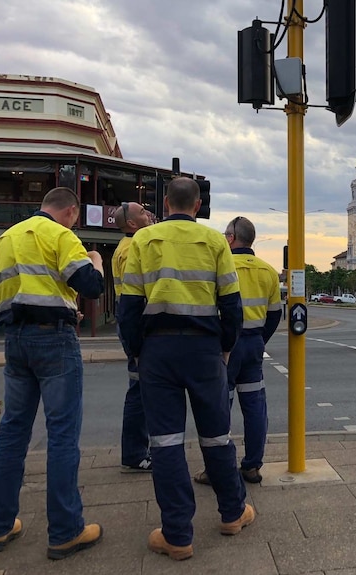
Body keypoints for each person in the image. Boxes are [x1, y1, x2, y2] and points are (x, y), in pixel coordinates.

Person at [118, 177, 255, 561]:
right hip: (204, 350)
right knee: (216, 437)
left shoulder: (144, 241)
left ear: (165, 203)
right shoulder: (214, 242)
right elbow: (231, 305)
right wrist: (225, 348)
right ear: (197, 206)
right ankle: (233, 513)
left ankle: (177, 535)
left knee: (165, 442)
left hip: (158, 351)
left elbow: (128, 307)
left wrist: (136, 352)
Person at [0, 186, 105, 560]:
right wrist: (96, 259)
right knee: (62, 435)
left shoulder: (7, 238)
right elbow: (92, 286)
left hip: (15, 342)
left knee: (12, 432)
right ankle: (66, 531)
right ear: (70, 211)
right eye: (76, 219)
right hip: (54, 341)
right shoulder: (60, 235)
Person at [194, 216, 281, 485]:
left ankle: (216, 469)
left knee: (220, 407)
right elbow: (276, 314)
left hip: (225, 346)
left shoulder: (221, 266)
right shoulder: (267, 271)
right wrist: (259, 339)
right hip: (254, 344)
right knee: (255, 406)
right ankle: (252, 466)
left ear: (231, 238)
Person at [112, 202, 155, 473]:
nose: (148, 214)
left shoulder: (131, 245)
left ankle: (139, 449)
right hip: (137, 324)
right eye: (142, 213)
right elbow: (133, 298)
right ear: (131, 223)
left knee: (141, 389)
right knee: (139, 391)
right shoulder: (131, 250)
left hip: (135, 322)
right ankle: (135, 453)